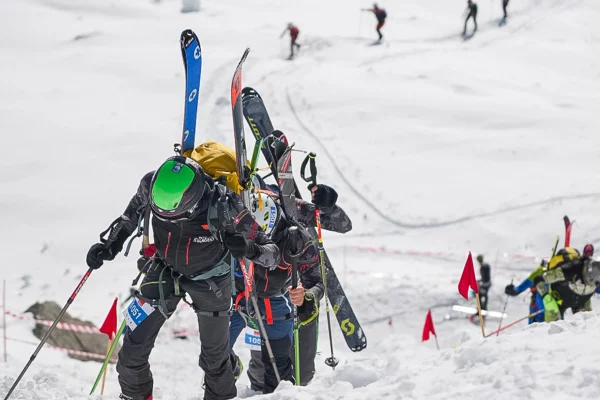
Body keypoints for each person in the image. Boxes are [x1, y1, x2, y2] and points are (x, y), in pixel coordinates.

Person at [85, 155, 280, 400]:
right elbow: (129, 218)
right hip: (164, 269)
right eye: (162, 214)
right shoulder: (150, 186)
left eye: (175, 214)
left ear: (193, 200)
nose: (167, 216)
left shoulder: (224, 204)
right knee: (132, 350)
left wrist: (248, 249)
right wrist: (109, 246)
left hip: (212, 281)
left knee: (214, 362)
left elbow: (272, 253)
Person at [230, 182, 352, 392]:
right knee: (228, 360)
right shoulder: (234, 208)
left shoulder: (290, 210)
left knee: (292, 374)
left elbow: (342, 225)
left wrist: (329, 205)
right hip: (243, 295)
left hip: (279, 296)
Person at [505, 245, 598, 323]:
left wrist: (512, 290)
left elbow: (523, 287)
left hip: (542, 308)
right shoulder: (578, 271)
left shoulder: (543, 271)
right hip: (556, 303)